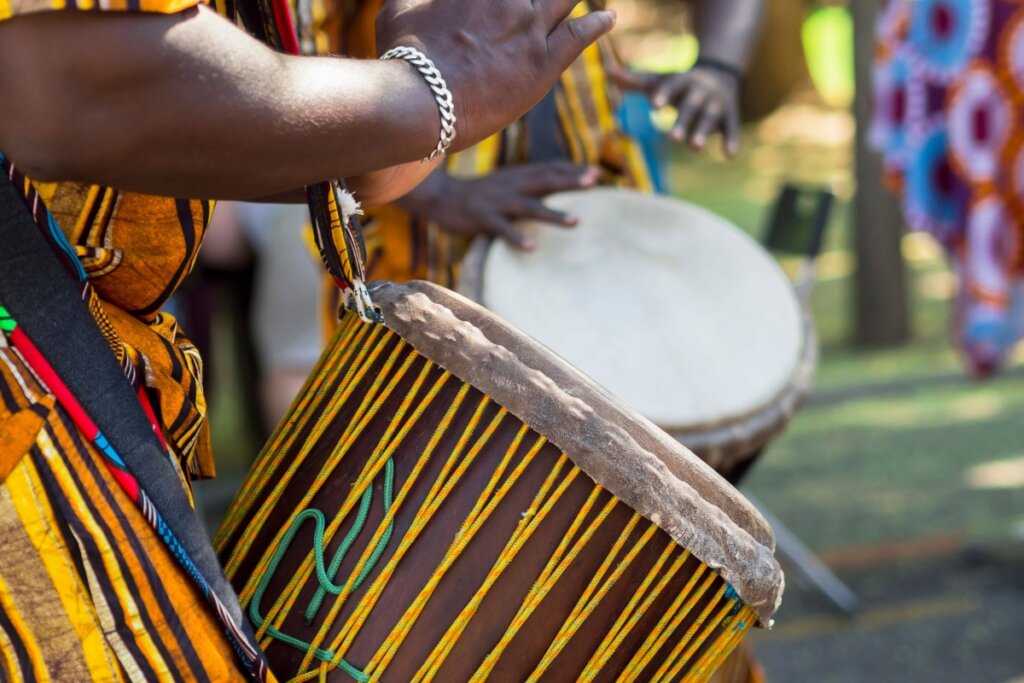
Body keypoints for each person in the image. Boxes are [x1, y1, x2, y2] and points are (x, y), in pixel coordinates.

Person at [0, 0, 615, 678]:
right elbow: (74, 85)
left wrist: (421, 109)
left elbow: (349, 155)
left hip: (75, 364)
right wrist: (427, 88)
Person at [327, 0, 765, 288]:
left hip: (604, 191)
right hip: (424, 244)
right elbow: (292, 63)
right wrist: (438, 193)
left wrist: (718, 66)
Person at [872, 0, 1024, 376]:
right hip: (950, 29)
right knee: (966, 160)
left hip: (997, 29)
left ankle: (989, 308)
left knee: (997, 157)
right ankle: (980, 305)